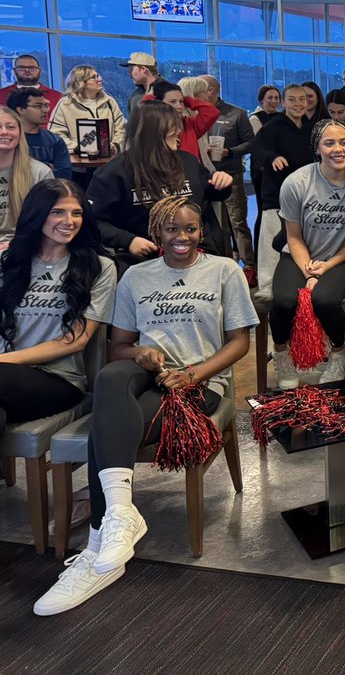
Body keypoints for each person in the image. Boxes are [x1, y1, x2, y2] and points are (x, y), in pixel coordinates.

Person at [33, 195, 256, 616]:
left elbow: (240, 342)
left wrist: (195, 374)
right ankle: (120, 514)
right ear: (157, 233)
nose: (182, 237)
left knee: (108, 418)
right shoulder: (135, 277)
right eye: (172, 229)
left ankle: (99, 543)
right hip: (144, 376)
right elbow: (118, 348)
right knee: (110, 376)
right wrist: (140, 355)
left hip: (198, 384)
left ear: (200, 232)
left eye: (190, 229)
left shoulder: (224, 271)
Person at [0, 180, 116, 442]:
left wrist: (5, 361)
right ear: (37, 214)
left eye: (77, 213)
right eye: (58, 212)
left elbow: (76, 339)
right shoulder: (9, 262)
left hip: (59, 380)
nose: (69, 221)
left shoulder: (99, 267)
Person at [271, 119, 345, 385]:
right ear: (317, 148)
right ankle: (282, 355)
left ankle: (337, 354)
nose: (338, 149)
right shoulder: (296, 182)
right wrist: (309, 271)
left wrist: (328, 266)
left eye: (344, 142)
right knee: (285, 300)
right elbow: (294, 236)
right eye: (329, 143)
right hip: (299, 254)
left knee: (323, 299)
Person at [87, 102, 232, 268]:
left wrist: (222, 181)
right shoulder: (115, 172)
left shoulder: (188, 161)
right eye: (172, 127)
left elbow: (211, 194)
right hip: (144, 257)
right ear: (151, 131)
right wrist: (128, 240)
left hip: (195, 252)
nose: (178, 131)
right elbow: (93, 221)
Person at [250, 85, 315, 292]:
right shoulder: (272, 127)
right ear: (283, 103)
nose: (298, 104)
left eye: (302, 99)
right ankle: (267, 290)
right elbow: (258, 150)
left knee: (301, 247)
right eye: (293, 100)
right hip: (276, 198)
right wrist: (272, 157)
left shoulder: (311, 128)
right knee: (271, 246)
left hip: (305, 200)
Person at [200, 76, 255, 267]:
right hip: (206, 177)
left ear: (211, 91)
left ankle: (249, 265)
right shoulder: (194, 114)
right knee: (216, 224)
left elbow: (251, 142)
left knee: (237, 223)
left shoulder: (236, 114)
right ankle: (224, 265)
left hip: (231, 174)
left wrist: (230, 152)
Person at [0, 107, 52, 249]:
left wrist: (16, 244)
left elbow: (50, 219)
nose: (4, 132)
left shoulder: (40, 172)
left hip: (27, 244)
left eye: (10, 127)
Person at [49, 65, 126, 154]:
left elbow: (121, 128)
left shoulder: (109, 102)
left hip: (109, 161)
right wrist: (77, 147)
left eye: (99, 76)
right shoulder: (66, 104)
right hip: (78, 163)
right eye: (94, 77)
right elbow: (55, 134)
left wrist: (114, 145)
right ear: (81, 82)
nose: (99, 79)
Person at [147, 80, 220, 162]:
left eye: (181, 102)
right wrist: (149, 98)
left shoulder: (190, 125)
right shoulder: (150, 126)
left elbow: (212, 112)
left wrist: (186, 99)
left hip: (190, 173)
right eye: (172, 102)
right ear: (158, 104)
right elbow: (141, 112)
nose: (179, 106)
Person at [8, 88, 71, 177]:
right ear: (21, 109)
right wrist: (48, 166)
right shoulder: (9, 139)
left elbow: (65, 174)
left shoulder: (55, 140)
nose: (45, 110)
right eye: (38, 106)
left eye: (46, 105)